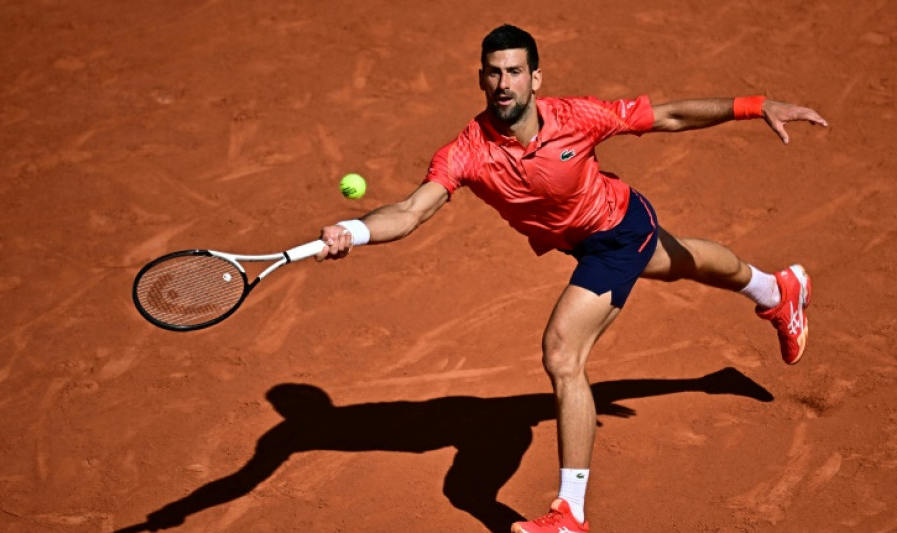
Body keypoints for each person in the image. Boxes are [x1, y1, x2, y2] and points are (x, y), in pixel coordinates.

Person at [314, 24, 827, 533]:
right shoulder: (466, 152)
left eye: (515, 71)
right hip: (588, 244)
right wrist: (354, 231)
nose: (504, 84)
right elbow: (408, 212)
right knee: (684, 262)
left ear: (536, 78)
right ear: (480, 80)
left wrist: (756, 105)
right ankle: (776, 289)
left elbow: (667, 115)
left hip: (620, 232)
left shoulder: (575, 118)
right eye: (493, 73)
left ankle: (571, 516)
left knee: (563, 352)